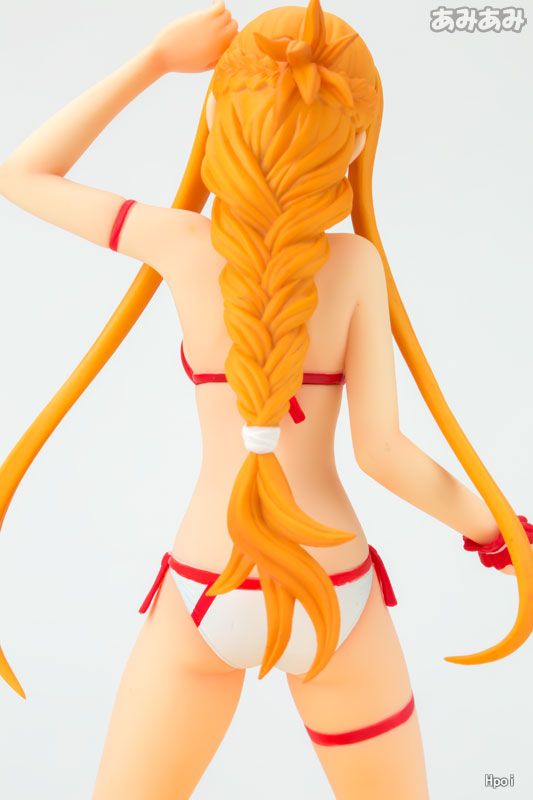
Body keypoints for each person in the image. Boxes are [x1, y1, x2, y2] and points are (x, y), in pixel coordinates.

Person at [1, 1, 532, 798]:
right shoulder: (354, 266)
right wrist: (502, 537)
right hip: (334, 591)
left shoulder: (178, 243)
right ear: (355, 141)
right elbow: (382, 452)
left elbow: (21, 174)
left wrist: (155, 59)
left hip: (203, 581)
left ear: (219, 121)